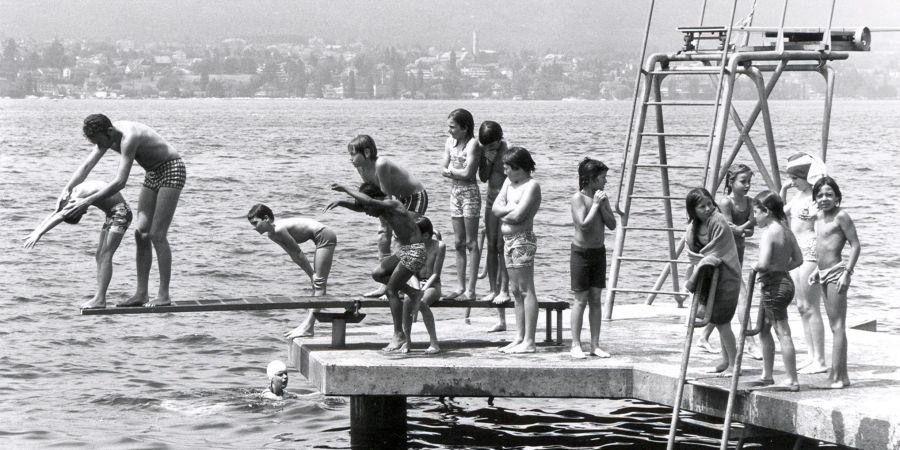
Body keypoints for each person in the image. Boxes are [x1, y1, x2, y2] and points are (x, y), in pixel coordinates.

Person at [60, 114, 185, 307]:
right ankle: (141, 294)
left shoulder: (129, 137)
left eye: (102, 142)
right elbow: (87, 166)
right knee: (141, 233)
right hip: (153, 172)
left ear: (109, 132)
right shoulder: (106, 136)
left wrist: (87, 202)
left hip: (172, 169)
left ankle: (164, 295)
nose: (102, 147)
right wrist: (66, 189)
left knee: (157, 234)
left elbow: (120, 182)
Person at [327, 182, 425, 353]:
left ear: (374, 199)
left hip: (415, 252)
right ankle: (413, 292)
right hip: (405, 251)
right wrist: (342, 203)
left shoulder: (392, 204)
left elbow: (370, 203)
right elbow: (365, 206)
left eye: (367, 209)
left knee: (391, 291)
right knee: (378, 273)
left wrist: (345, 188)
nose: (367, 214)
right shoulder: (382, 209)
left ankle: (398, 335)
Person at [23, 180, 133, 310]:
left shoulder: (76, 196)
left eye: (80, 212)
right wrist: (36, 230)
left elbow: (60, 216)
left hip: (121, 214)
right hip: (112, 213)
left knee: (106, 254)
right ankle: (99, 297)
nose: (85, 212)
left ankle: (100, 299)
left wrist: (40, 233)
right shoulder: (70, 193)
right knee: (99, 255)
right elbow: (57, 212)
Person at [346, 135, 429, 298]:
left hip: (414, 196)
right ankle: (387, 283)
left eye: (353, 154)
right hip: (392, 199)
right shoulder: (361, 167)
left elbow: (386, 197)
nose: (350, 158)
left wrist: (387, 222)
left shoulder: (381, 164)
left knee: (402, 237)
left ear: (367, 152)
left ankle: (411, 280)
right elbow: (372, 193)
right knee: (382, 234)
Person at [698, 164, 761, 359]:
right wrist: (744, 227)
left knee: (723, 300)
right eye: (743, 181)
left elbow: (748, 231)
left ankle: (703, 336)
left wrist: (742, 228)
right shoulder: (726, 202)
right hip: (724, 253)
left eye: (749, 181)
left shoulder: (750, 202)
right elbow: (729, 227)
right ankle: (750, 342)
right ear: (731, 182)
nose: (747, 185)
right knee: (742, 296)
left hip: (738, 254)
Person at [247, 204, 336, 339]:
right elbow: (293, 255)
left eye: (255, 223)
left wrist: (312, 274)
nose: (254, 228)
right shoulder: (271, 234)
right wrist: (310, 274)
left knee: (319, 283)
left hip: (324, 235)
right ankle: (307, 324)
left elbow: (298, 253)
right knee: (316, 283)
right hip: (317, 237)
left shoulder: (279, 229)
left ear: (266, 219)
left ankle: (308, 327)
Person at [749, 191, 804, 392]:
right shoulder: (786, 230)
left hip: (774, 287)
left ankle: (792, 380)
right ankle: (767, 375)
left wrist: (755, 266)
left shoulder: (769, 232)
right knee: (764, 330)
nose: (754, 217)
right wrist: (780, 268)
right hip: (785, 283)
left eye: (756, 212)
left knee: (783, 332)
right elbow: (798, 260)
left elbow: (763, 263)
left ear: (767, 211)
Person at [683, 187, 741, 376]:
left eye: (709, 204)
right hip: (709, 277)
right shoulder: (693, 227)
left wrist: (701, 259)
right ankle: (726, 361)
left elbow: (718, 247)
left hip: (727, 274)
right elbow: (692, 250)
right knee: (719, 320)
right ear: (693, 210)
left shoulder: (719, 220)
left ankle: (735, 364)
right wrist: (699, 260)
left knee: (723, 321)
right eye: (702, 206)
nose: (708, 208)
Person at [809, 176, 860, 389]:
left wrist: (847, 272)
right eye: (820, 195)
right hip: (822, 273)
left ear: (837, 197)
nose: (824, 198)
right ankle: (842, 376)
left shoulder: (842, 216)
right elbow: (822, 247)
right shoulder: (819, 217)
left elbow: (855, 245)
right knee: (833, 325)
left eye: (829, 194)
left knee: (838, 326)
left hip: (837, 273)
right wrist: (815, 270)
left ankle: (836, 377)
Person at [781, 153, 829, 375]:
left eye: (795, 178)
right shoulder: (798, 196)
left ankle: (820, 358)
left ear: (806, 176)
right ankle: (810, 355)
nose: (792, 182)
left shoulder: (815, 198)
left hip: (810, 254)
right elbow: (781, 215)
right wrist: (782, 191)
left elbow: (822, 231)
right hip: (796, 253)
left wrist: (821, 265)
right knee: (801, 307)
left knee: (811, 307)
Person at [492, 147, 542, 354]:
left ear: (519, 168)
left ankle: (530, 341)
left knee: (525, 289)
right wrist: (509, 210)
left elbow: (518, 216)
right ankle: (519, 336)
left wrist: (507, 211)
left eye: (508, 168)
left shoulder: (532, 186)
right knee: (514, 290)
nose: (505, 172)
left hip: (523, 239)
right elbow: (495, 208)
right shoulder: (508, 183)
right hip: (508, 239)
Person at [569, 158, 616, 359]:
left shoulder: (602, 198)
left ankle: (595, 344)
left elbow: (612, 225)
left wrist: (604, 206)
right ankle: (575, 344)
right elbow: (583, 225)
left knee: (596, 299)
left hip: (599, 252)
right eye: (602, 178)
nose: (605, 181)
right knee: (580, 299)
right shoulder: (578, 198)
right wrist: (595, 205)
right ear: (590, 179)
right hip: (581, 253)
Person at [441, 109, 482, 302]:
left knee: (471, 242)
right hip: (454, 193)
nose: (449, 130)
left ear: (465, 128)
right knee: (458, 242)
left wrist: (452, 171)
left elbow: (468, 174)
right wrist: (454, 171)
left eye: (453, 127)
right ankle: (460, 286)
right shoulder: (450, 142)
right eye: (449, 126)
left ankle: (471, 290)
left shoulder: (473, 144)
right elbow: (443, 167)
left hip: (469, 194)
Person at [475, 121, 510, 332]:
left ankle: (504, 289)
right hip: (490, 201)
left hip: (505, 202)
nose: (491, 148)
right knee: (490, 245)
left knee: (501, 247)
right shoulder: (483, 149)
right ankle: (493, 289)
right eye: (487, 145)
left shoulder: (507, 149)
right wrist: (487, 159)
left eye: (494, 145)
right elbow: (483, 177)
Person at [405, 216, 446, 354]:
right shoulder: (414, 246)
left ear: (426, 235)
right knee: (407, 300)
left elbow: (436, 274)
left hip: (433, 284)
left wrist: (423, 289)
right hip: (416, 282)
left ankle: (434, 342)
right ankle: (407, 340)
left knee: (421, 302)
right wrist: (416, 289)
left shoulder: (439, 246)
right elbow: (411, 273)